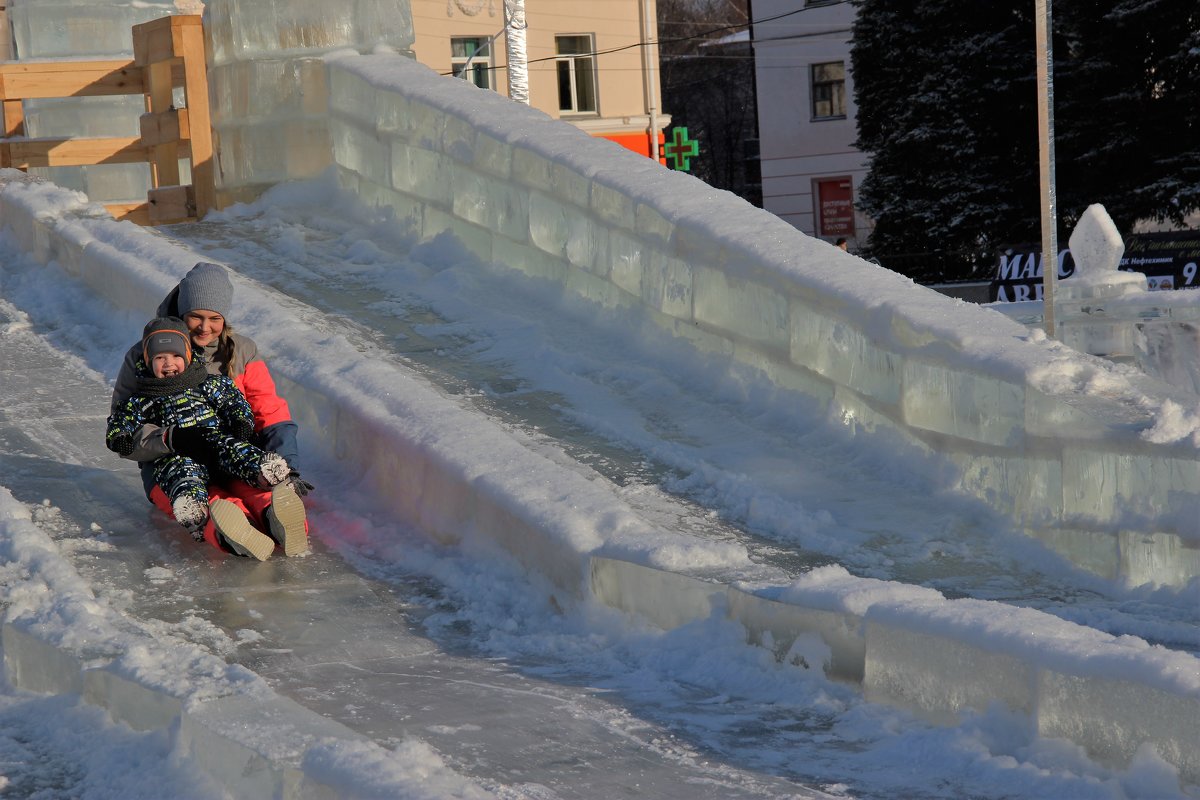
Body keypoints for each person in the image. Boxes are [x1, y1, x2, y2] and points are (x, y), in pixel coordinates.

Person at [110, 261, 312, 558]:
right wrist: (171, 439)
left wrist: (287, 467)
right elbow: (124, 430)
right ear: (182, 313)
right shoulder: (145, 357)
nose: (205, 327)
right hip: (172, 465)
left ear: (224, 318)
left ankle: (277, 518)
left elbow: (269, 410)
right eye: (195, 317)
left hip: (231, 452)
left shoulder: (241, 351)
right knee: (205, 503)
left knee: (261, 489)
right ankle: (233, 534)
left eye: (214, 318)